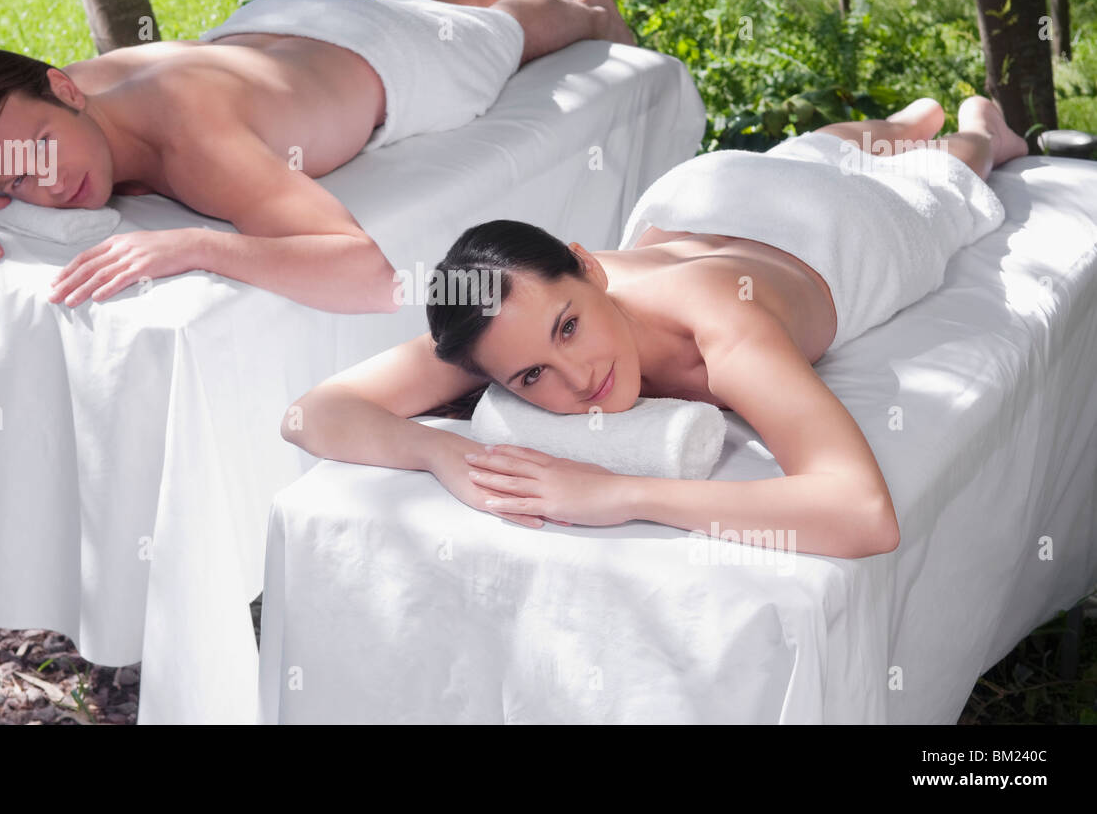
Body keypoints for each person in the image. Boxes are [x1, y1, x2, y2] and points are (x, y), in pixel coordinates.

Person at [281, 96, 1028, 558]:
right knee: (813, 152)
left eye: (570, 327)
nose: (578, 381)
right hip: (716, 189)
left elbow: (861, 514)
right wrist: (440, 456)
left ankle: (970, 126)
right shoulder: (507, 322)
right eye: (531, 377)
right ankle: (902, 121)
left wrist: (621, 494)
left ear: (586, 266)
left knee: (948, 174)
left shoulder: (719, 322)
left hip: (839, 231)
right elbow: (308, 414)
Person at [0, 0, 635, 313]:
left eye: (44, 150)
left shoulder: (193, 141)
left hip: (399, 58)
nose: (47, 186)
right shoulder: (1, 127)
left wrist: (198, 246)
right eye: (14, 180)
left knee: (509, 27)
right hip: (278, 23)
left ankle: (566, 3)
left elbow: (368, 274)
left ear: (64, 85)